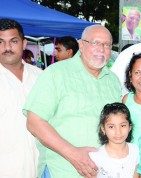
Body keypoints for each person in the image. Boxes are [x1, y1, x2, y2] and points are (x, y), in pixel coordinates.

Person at [23, 24, 122, 178]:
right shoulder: (56, 73)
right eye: (95, 43)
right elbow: (34, 122)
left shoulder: (113, 80)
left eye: (107, 45)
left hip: (102, 172)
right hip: (62, 170)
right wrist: (73, 154)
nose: (101, 49)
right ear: (81, 45)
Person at [0, 18, 42, 178]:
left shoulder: (41, 77)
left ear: (24, 44)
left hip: (40, 167)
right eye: (1, 42)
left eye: (13, 41)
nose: (7, 48)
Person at [89, 102, 139, 178]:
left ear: (130, 127)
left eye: (123, 125)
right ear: (103, 129)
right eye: (111, 127)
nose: (118, 132)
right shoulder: (95, 156)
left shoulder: (136, 151)